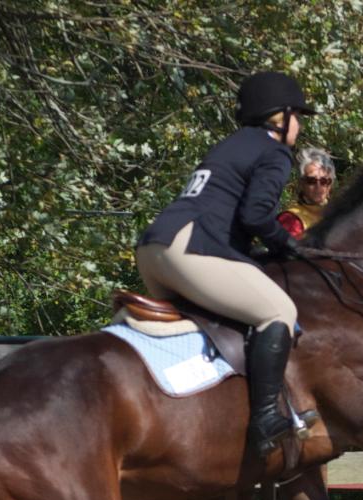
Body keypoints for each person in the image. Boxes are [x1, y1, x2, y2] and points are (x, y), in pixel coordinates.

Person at [135, 72, 316, 456]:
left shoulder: (231, 145)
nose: (300, 124)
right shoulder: (274, 151)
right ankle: (265, 418)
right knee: (279, 311)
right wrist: (288, 244)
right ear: (279, 117)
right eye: (298, 115)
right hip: (191, 249)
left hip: (155, 249)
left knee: (214, 329)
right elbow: (256, 215)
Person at [277, 147, 335, 239]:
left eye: (324, 181)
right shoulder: (291, 219)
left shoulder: (338, 214)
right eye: (311, 180)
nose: (318, 186)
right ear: (301, 183)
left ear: (330, 184)